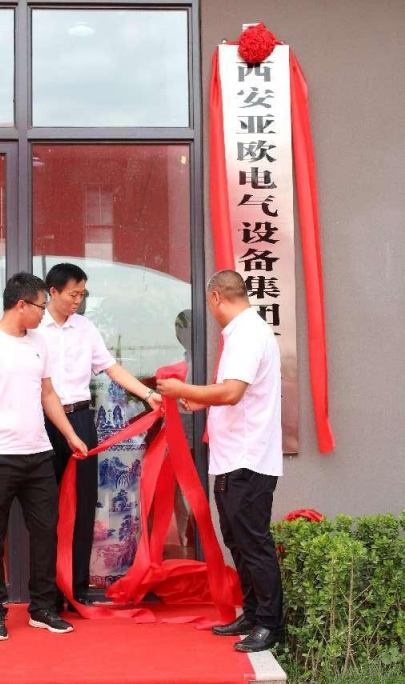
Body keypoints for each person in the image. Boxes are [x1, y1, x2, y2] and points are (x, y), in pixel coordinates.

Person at [0, 272, 88, 641]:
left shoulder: (39, 342)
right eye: (41, 307)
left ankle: (42, 608)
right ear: (20, 305)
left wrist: (71, 436)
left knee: (46, 533)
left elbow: (48, 394)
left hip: (38, 454)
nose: (45, 313)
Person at [157, 269, 284, 653]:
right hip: (234, 458)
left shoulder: (247, 334)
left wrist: (181, 388)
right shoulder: (242, 332)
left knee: (253, 543)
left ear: (216, 298)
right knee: (238, 541)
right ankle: (253, 613)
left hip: (247, 459)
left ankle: (270, 624)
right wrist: (199, 400)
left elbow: (231, 393)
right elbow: (232, 394)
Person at [38, 263, 161, 609]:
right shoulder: (35, 328)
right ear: (53, 292)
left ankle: (76, 588)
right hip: (41, 422)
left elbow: (111, 368)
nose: (78, 300)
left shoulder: (85, 328)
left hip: (80, 419)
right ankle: (47, 593)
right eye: (73, 294)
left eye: (82, 294)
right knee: (43, 508)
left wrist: (147, 395)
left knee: (82, 504)